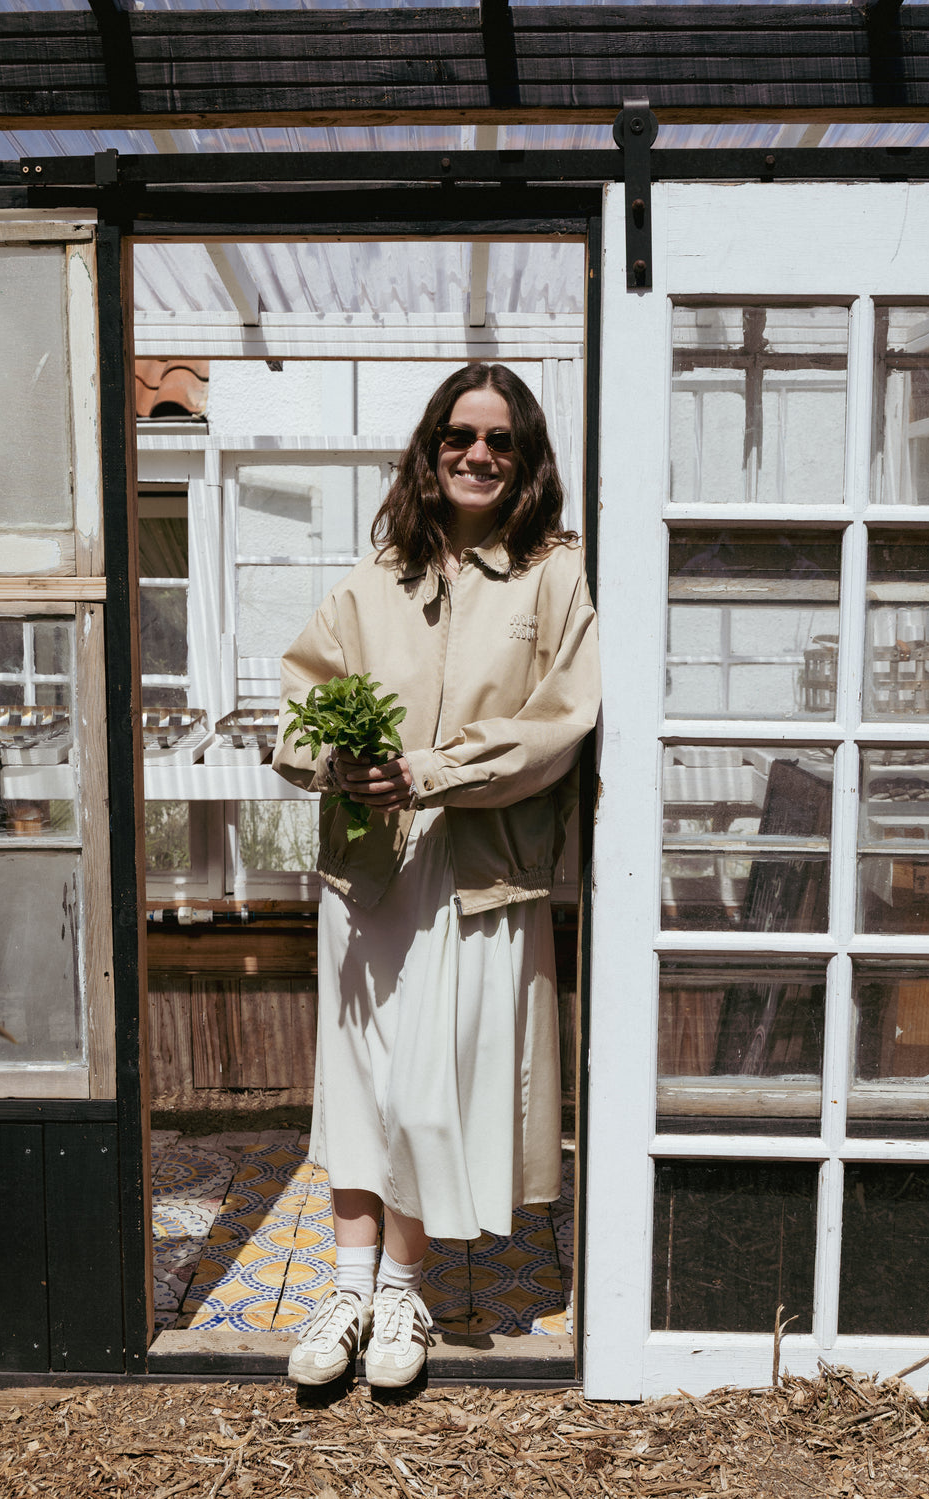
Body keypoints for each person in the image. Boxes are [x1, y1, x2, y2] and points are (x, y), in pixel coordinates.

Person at [273, 362, 600, 1388]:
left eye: (502, 440)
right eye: (461, 434)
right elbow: (293, 711)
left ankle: (404, 1296)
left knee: (425, 1094)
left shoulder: (552, 573)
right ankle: (346, 1288)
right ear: (431, 447)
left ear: (527, 460)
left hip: (478, 874)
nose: (479, 453)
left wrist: (430, 769)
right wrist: (336, 761)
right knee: (359, 1092)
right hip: (367, 874)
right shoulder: (371, 584)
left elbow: (559, 724)